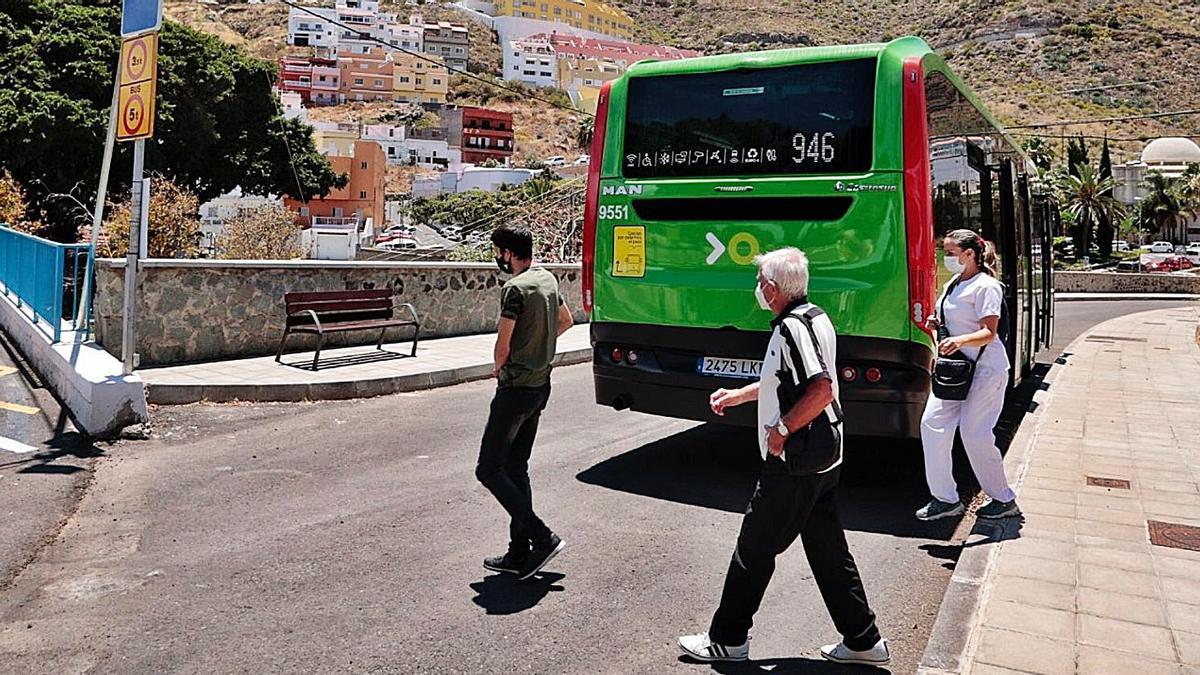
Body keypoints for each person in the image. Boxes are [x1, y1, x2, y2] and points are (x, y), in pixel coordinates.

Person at [678, 248, 890, 666]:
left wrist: (781, 431)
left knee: (753, 548)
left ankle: (727, 639)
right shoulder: (817, 317)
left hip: (798, 458)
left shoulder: (793, 329)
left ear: (773, 288)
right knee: (828, 551)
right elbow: (786, 380)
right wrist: (740, 395)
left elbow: (820, 389)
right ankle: (864, 640)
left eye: (760, 282)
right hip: (824, 455)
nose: (758, 289)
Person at [476, 225, 574, 580]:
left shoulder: (514, 289)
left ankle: (542, 538)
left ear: (507, 252)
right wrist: (540, 345)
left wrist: (500, 366)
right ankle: (519, 553)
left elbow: (503, 345)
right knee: (517, 468)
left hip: (516, 387)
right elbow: (566, 321)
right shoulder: (547, 279)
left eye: (498, 251)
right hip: (540, 386)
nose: (498, 258)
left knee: (488, 469)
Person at [916, 229, 1021, 521]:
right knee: (932, 424)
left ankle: (1003, 498)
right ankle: (945, 498)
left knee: (974, 434)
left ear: (970, 254)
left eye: (950, 253)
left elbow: (990, 332)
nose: (945, 258)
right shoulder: (952, 284)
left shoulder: (986, 286)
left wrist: (960, 341)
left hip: (986, 371)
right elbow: (949, 323)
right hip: (956, 372)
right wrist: (935, 326)